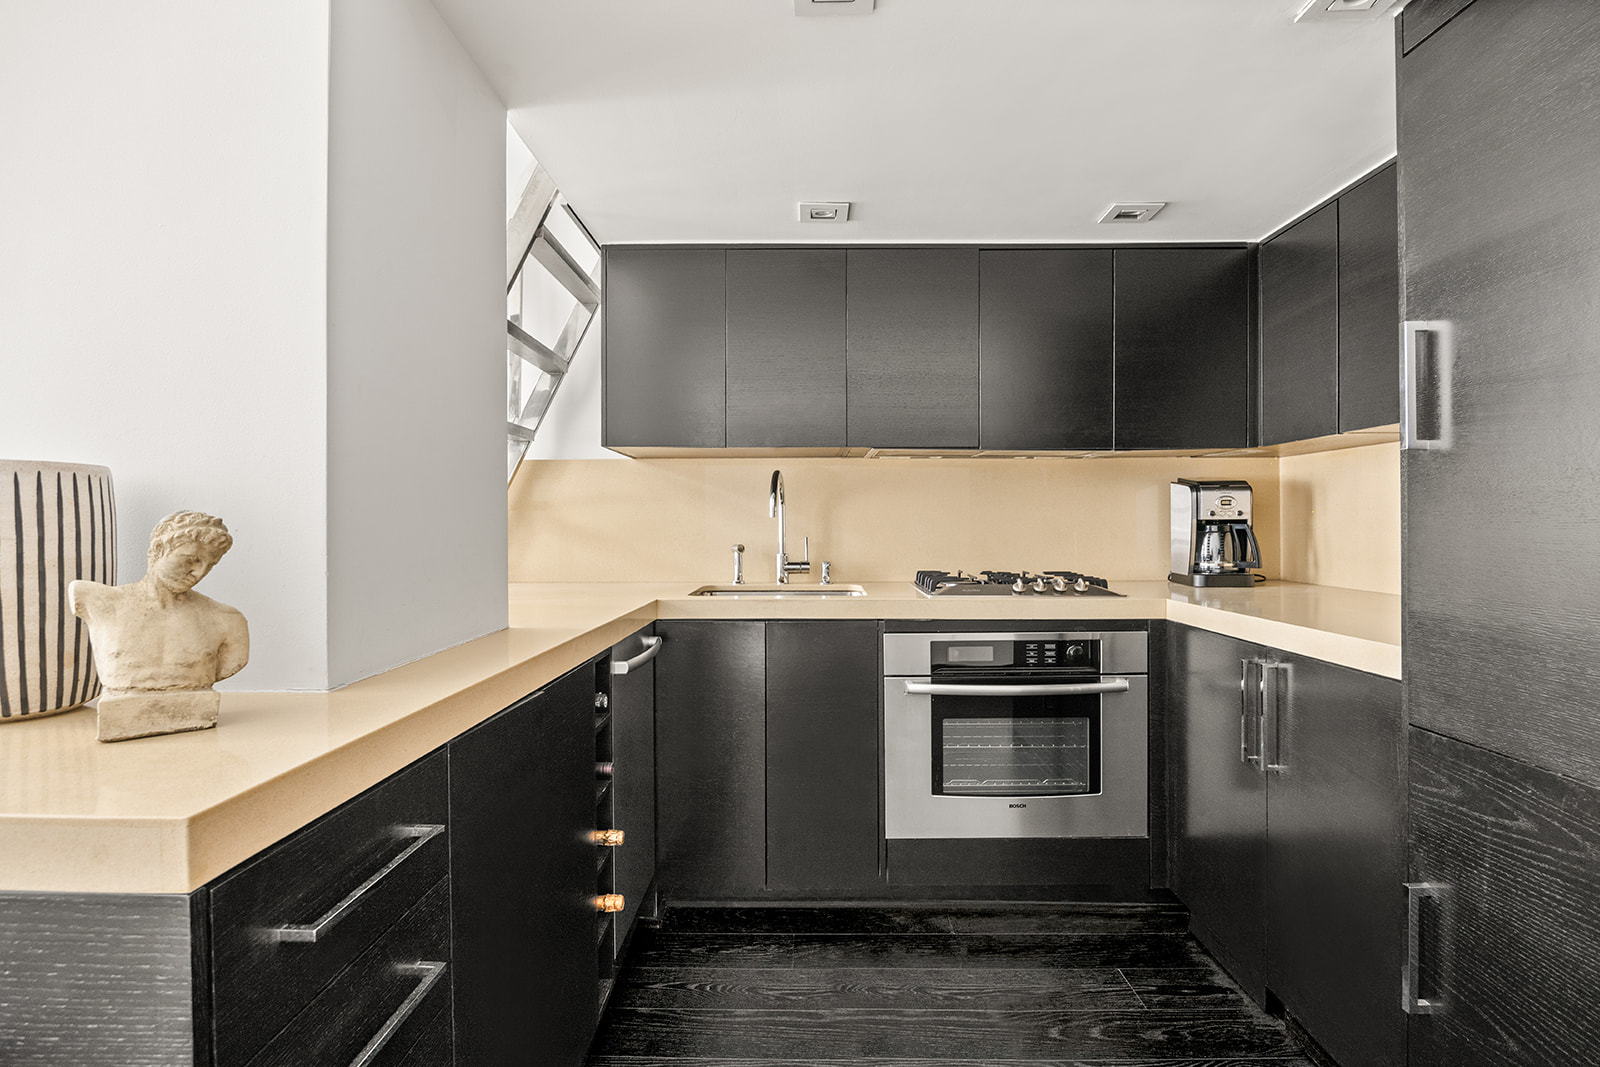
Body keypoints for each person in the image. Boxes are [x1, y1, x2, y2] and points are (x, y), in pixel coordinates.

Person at [70, 511, 248, 740]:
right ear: (158, 550)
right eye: (191, 560)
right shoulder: (97, 600)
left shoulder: (227, 619)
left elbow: (232, 663)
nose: (199, 573)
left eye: (210, 565)